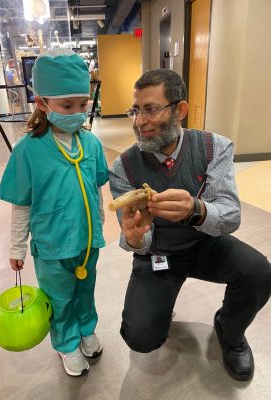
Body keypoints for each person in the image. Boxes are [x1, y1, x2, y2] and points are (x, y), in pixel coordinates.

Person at [109, 69, 271, 381]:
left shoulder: (214, 147)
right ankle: (159, 306)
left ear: (180, 110)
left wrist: (196, 210)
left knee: (259, 272)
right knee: (141, 338)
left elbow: (231, 215)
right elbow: (137, 239)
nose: (139, 122)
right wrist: (133, 239)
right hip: (158, 254)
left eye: (151, 109)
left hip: (205, 244)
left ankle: (230, 330)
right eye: (135, 109)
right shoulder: (124, 167)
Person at [0, 49, 109, 377]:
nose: (76, 113)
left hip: (87, 241)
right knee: (60, 298)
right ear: (42, 102)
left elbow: (95, 186)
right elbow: (21, 204)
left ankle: (86, 329)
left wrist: (99, 218)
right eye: (66, 106)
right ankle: (67, 344)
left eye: (82, 105)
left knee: (85, 291)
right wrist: (17, 247)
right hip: (51, 245)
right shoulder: (28, 150)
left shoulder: (91, 144)